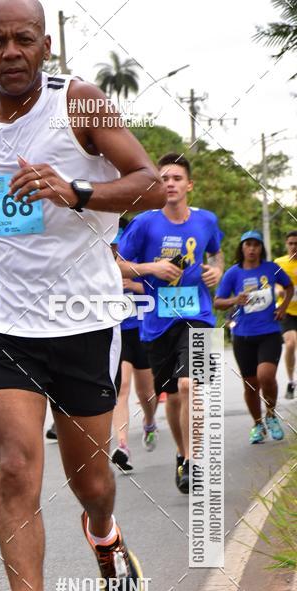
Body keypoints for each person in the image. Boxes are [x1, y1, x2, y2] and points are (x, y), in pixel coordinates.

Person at [0, 0, 166, 591]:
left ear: (45, 44)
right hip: (0, 321)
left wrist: (77, 190)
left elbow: (149, 183)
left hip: (84, 320)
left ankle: (103, 532)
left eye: (23, 39)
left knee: (89, 482)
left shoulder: (81, 105)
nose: (10, 51)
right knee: (13, 467)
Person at [117, 152, 224, 494]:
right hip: (157, 323)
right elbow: (117, 265)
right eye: (164, 178)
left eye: (177, 178)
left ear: (189, 185)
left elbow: (216, 252)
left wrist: (217, 270)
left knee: (190, 386)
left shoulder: (206, 220)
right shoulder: (144, 223)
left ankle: (193, 460)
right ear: (157, 185)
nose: (170, 183)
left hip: (199, 316)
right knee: (174, 395)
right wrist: (151, 269)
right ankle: (183, 454)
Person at [215, 230, 293, 443]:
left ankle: (271, 415)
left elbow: (289, 287)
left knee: (266, 376)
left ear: (261, 248)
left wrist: (283, 308)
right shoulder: (233, 273)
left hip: (269, 332)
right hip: (242, 335)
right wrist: (234, 300)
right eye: (247, 244)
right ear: (242, 248)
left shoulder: (271, 268)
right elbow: (218, 301)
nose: (251, 248)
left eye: (256, 245)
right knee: (250, 385)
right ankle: (257, 424)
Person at [110, 223, 158, 473]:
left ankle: (149, 422)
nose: (115, 250)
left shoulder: (139, 261)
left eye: (118, 245)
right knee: (122, 388)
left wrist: (136, 286)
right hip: (118, 333)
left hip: (142, 329)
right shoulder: (101, 265)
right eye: (111, 246)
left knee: (146, 392)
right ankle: (122, 445)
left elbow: (159, 288)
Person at [274, 230, 297, 399]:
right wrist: (280, 291)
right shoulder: (279, 262)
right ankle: (291, 381)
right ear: (286, 245)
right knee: (290, 344)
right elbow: (273, 284)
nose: (294, 247)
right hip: (286, 311)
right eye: (291, 243)